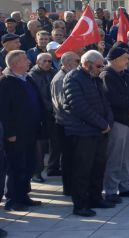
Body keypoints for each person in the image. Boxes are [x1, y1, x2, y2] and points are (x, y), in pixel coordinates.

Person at [63, 50, 114, 217]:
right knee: (82, 170)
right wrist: (102, 124)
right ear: (86, 64)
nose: (101, 68)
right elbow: (79, 106)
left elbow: (105, 102)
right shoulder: (73, 78)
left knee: (98, 167)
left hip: (99, 132)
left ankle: (95, 198)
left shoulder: (94, 78)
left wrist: (108, 122)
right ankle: (80, 204)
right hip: (82, 132)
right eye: (99, 66)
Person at [0, 50, 44, 211]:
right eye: (25, 60)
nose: (29, 62)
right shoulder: (6, 83)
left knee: (29, 165)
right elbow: (4, 111)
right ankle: (13, 199)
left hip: (30, 131)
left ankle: (24, 195)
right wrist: (10, 133)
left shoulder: (28, 79)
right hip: (16, 134)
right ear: (15, 64)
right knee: (15, 166)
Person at [100, 47, 129, 203]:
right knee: (115, 157)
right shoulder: (106, 75)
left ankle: (125, 186)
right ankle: (111, 190)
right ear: (114, 60)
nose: (128, 61)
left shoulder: (127, 75)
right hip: (117, 121)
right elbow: (112, 98)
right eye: (125, 58)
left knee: (128, 157)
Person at [50, 51, 80, 195]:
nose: (79, 64)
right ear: (68, 63)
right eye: (77, 61)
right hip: (65, 124)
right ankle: (69, 188)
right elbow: (63, 105)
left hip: (70, 123)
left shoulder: (68, 76)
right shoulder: (60, 79)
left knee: (72, 158)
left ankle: (73, 186)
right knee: (68, 158)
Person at [28, 53, 57, 183]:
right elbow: (39, 96)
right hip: (41, 114)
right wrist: (51, 107)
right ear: (37, 62)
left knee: (56, 142)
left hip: (53, 113)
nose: (47, 63)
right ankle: (36, 172)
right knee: (40, 146)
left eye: (50, 61)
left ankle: (53, 167)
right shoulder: (32, 76)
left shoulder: (53, 72)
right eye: (44, 61)